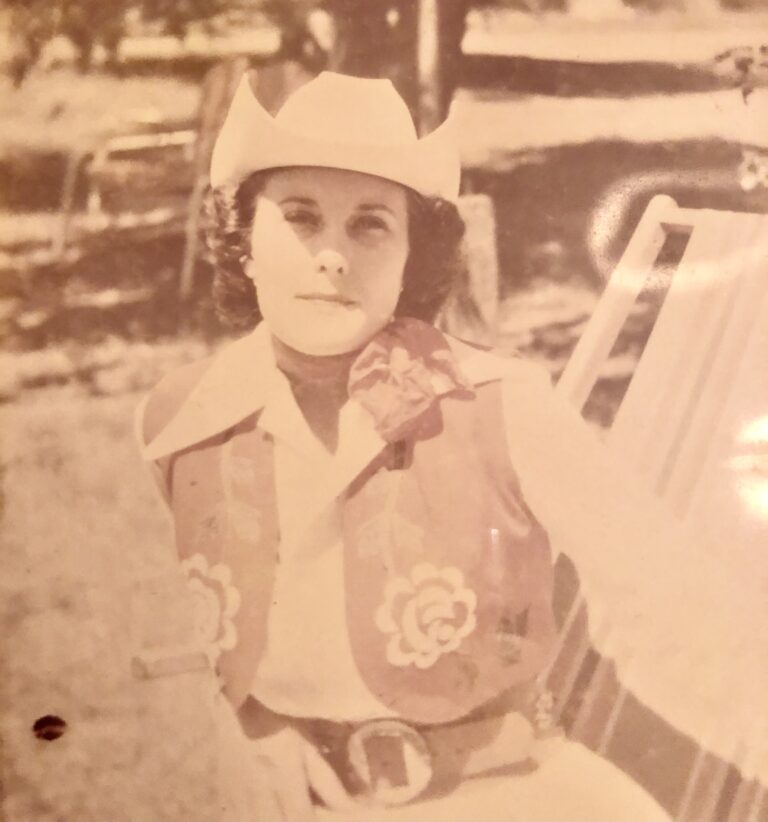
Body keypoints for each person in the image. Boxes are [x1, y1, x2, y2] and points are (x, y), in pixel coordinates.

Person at [136, 71, 675, 821]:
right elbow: (157, 650)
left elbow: (676, 606)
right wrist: (247, 732)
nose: (332, 256)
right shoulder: (182, 420)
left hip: (507, 797)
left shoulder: (499, 405)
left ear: (410, 259)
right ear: (245, 242)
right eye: (299, 217)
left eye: (370, 224)